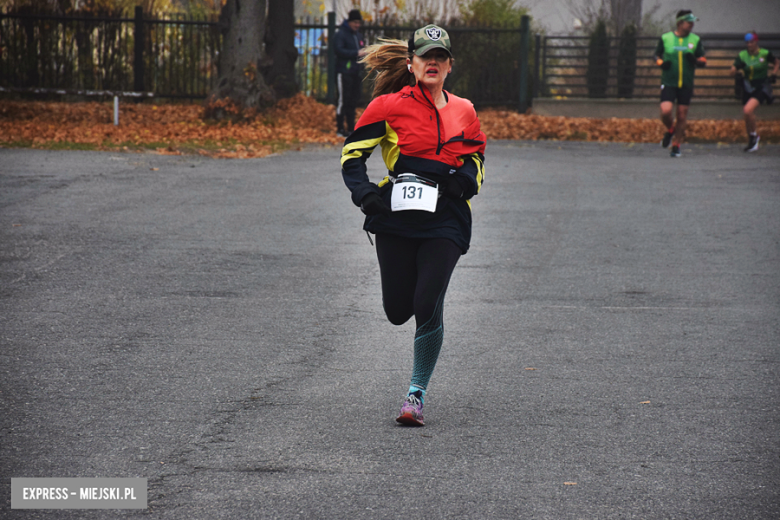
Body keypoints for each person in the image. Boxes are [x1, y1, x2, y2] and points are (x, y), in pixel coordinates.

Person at [340, 25, 486, 426]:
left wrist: (465, 182)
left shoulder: (465, 110)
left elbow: (476, 158)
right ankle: (417, 319)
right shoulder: (387, 106)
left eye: (440, 56)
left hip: (446, 219)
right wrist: (365, 194)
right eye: (425, 56)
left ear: (450, 65)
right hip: (397, 217)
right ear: (411, 63)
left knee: (427, 304)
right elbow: (352, 156)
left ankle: (415, 396)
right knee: (397, 310)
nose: (433, 62)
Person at [654, 10, 706, 158]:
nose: (691, 25)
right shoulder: (666, 38)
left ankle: (676, 145)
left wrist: (695, 61)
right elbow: (656, 55)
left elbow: (703, 60)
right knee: (665, 111)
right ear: (679, 23)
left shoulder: (695, 40)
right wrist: (661, 63)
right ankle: (671, 130)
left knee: (682, 115)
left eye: (692, 22)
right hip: (669, 81)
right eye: (689, 22)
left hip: (686, 83)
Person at [730, 32, 778, 153]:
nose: (749, 45)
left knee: (748, 109)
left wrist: (774, 73)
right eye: (747, 43)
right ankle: (752, 138)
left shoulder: (764, 53)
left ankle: (754, 137)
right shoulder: (743, 55)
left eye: (751, 42)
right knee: (747, 114)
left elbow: (777, 62)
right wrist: (736, 69)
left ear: (756, 42)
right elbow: (732, 71)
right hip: (747, 86)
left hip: (761, 86)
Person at [334, 9, 365, 137]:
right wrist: (356, 54)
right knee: (343, 100)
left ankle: (351, 128)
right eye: (355, 22)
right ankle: (340, 127)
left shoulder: (358, 35)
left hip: (355, 72)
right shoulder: (341, 34)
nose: (357, 25)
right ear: (350, 22)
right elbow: (339, 50)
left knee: (353, 101)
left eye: (359, 23)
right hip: (344, 71)